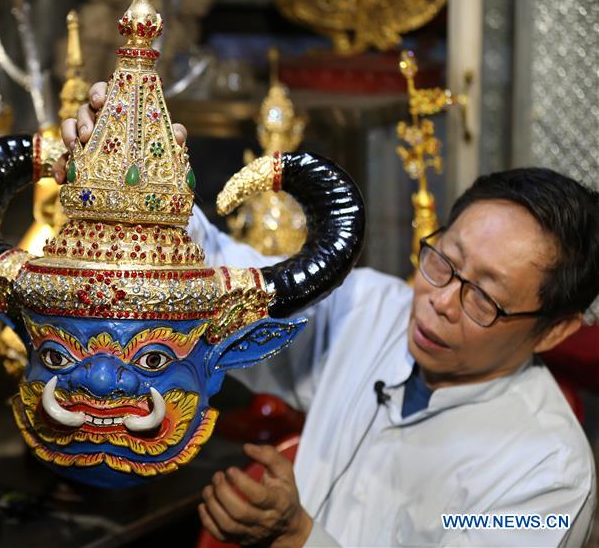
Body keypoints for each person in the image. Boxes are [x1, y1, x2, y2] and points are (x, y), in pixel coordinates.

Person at [60, 82, 599, 546]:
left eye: (484, 297)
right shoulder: (369, 309)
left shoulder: (545, 477)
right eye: (444, 262)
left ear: (556, 329)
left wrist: (297, 536)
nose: (440, 300)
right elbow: (230, 281)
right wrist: (144, 195)